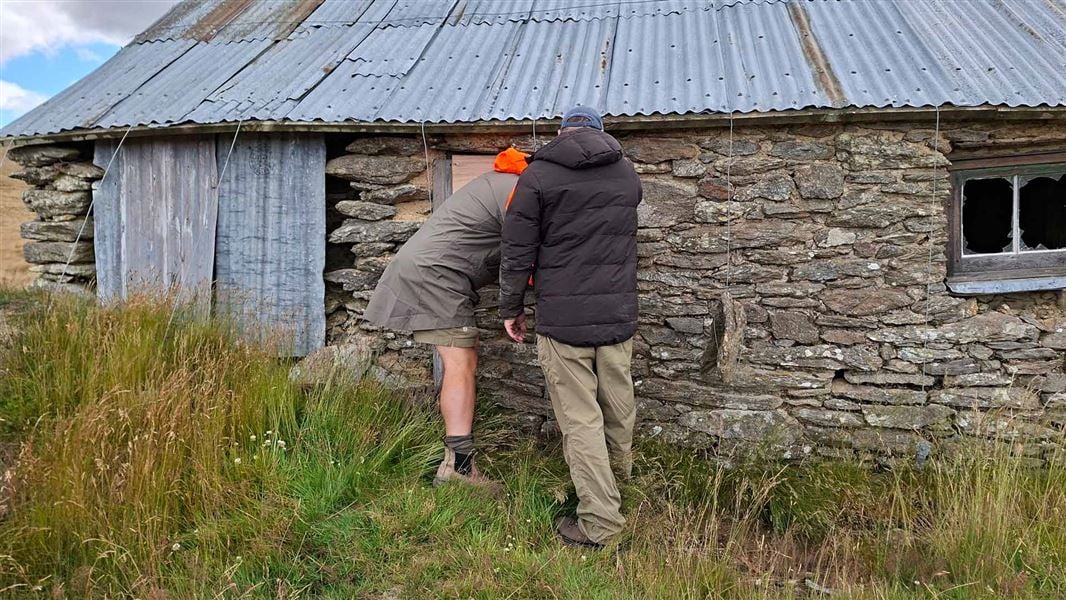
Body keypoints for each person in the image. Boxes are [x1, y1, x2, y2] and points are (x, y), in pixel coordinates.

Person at [499, 106, 642, 549]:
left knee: (581, 421)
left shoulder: (538, 177)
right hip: (618, 316)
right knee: (618, 406)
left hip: (563, 322)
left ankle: (601, 523)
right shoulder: (626, 173)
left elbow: (517, 248)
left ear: (562, 132)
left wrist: (511, 307)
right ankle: (619, 485)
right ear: (600, 132)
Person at [364, 147, 529, 487]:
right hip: (435, 276)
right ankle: (458, 469)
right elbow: (525, 249)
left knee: (463, 358)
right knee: (460, 363)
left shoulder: (506, 182)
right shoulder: (516, 192)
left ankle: (457, 465)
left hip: (438, 273)